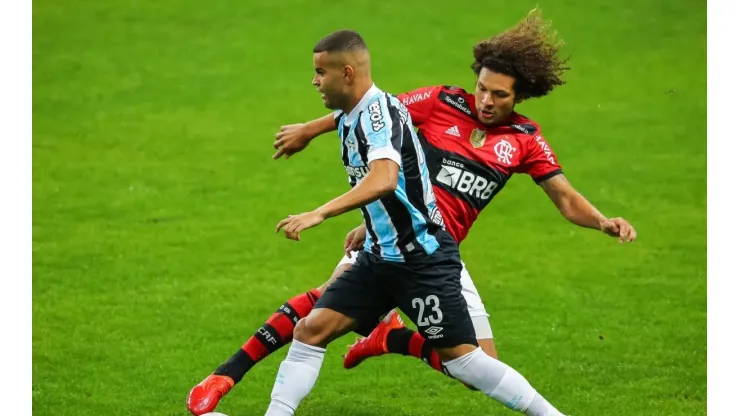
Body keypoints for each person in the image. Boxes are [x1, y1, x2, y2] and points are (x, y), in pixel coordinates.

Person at [188, 11, 633, 415]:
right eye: (481, 87)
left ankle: (393, 339)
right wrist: (311, 130)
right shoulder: (441, 102)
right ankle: (227, 378)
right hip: (383, 242)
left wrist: (601, 221)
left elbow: (566, 198)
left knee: (473, 366)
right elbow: (368, 108)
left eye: (499, 94)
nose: (485, 100)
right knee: (314, 323)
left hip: (430, 252)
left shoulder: (525, 140)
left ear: (519, 96)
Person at [261, 28, 564, 416]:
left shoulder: (377, 116)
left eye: (321, 72)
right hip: (378, 256)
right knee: (310, 331)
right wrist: (309, 131)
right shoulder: (356, 114)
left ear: (348, 73)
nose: (315, 80)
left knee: (466, 364)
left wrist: (320, 212)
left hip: (422, 259)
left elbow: (384, 178)